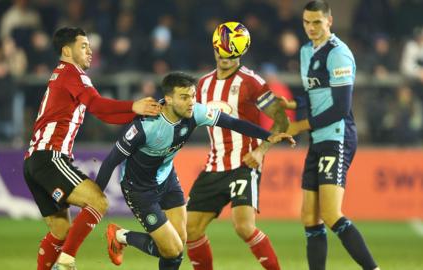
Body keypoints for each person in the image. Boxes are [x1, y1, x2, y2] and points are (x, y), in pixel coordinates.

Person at [96, 72, 295, 270]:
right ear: (168, 99)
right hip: (139, 190)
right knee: (172, 250)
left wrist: (268, 136)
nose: (191, 102)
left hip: (167, 180)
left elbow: (233, 123)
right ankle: (122, 236)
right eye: (184, 97)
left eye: (193, 95)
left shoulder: (196, 112)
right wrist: (95, 200)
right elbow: (110, 161)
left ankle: (121, 237)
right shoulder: (145, 127)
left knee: (177, 247)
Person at [22, 27, 161, 270]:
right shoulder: (73, 74)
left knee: (61, 230)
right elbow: (97, 105)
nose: (90, 50)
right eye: (83, 45)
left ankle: (57, 262)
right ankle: (65, 263)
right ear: (67, 50)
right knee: (98, 202)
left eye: (89, 45)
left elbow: (105, 115)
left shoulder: (61, 74)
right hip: (50, 157)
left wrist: (134, 112)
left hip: (34, 161)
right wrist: (134, 106)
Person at [279, 2, 380, 270]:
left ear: (330, 21)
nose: (311, 28)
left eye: (317, 23)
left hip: (337, 137)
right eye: (306, 22)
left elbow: (340, 107)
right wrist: (293, 105)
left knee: (331, 213)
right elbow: (315, 97)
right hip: (318, 137)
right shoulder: (305, 52)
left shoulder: (339, 54)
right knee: (310, 218)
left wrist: (299, 125)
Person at [185, 22, 289, 270]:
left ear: (241, 53)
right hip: (214, 165)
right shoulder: (202, 84)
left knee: (243, 226)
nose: (226, 58)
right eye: (222, 52)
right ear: (214, 49)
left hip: (245, 163)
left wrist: (261, 151)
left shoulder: (252, 82)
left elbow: (281, 120)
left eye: (232, 55)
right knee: (190, 230)